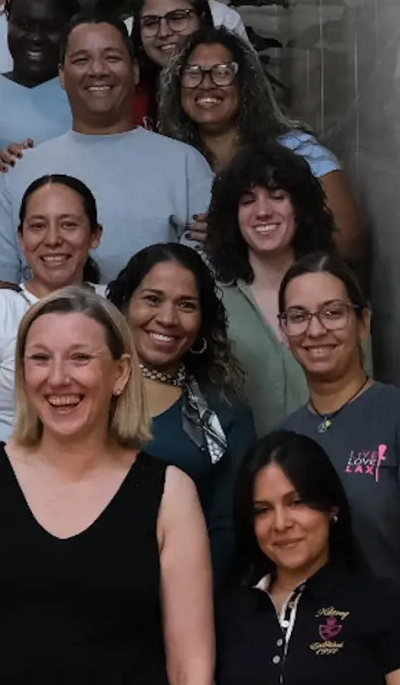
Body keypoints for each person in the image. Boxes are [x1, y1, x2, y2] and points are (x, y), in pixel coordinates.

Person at [0, 287, 215, 684]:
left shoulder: (170, 494)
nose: (57, 378)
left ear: (120, 373)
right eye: (40, 358)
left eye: (80, 357)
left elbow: (190, 667)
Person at [274, 253, 400, 675]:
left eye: (333, 312)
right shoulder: (281, 441)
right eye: (299, 316)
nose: (316, 329)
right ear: (283, 330)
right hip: (314, 661)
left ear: (364, 323)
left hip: (397, 660)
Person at [0, 17, 215, 289]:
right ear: (62, 76)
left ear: (135, 71)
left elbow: (203, 278)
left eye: (112, 57)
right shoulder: (21, 168)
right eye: (81, 60)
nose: (98, 70)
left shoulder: (185, 165)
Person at [216, 431, 400, 685]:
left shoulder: (385, 605)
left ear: (331, 508)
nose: (280, 524)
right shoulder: (229, 613)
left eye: (296, 502)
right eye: (263, 510)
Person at [107, 244, 256, 591]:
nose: (168, 319)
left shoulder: (224, 412)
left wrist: (181, 602)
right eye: (153, 299)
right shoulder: (84, 393)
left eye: (186, 305)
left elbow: (228, 528)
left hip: (191, 601)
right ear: (124, 304)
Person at [157, 27, 364, 258]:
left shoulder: (298, 149)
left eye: (223, 72)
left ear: (245, 84)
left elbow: (349, 241)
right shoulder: (167, 159)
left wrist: (244, 234)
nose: (206, 84)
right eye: (193, 73)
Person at [204, 143, 341, 434]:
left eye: (278, 197)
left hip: (326, 469)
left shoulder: (336, 290)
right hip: (241, 470)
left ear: (300, 209)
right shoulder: (211, 299)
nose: (263, 212)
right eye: (248, 201)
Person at [0, 174, 104, 442]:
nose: (52, 239)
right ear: (21, 238)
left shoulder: (114, 306)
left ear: (94, 235)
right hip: (3, 471)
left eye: (69, 225)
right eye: (37, 226)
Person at [0, 0, 78, 162]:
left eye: (51, 27)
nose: (35, 38)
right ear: (8, 23)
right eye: (24, 25)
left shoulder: (84, 93)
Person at [130, 0, 213, 128]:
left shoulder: (229, 86)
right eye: (151, 23)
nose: (163, 32)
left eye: (177, 18)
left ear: (201, 20)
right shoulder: (128, 97)